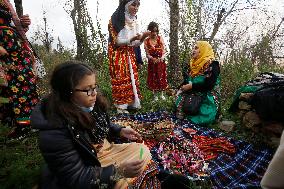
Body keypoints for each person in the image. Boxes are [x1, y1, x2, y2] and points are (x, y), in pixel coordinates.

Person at [31, 61, 162, 189]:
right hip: (87, 164)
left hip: (99, 153)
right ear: (68, 92)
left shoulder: (89, 105)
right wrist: (119, 171)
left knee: (141, 150)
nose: (94, 93)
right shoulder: (54, 131)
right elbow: (77, 179)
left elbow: (98, 125)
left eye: (94, 87)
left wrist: (119, 130)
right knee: (118, 183)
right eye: (87, 89)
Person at [0, 0, 39, 139]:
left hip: (18, 50)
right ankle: (19, 126)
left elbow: (12, 25)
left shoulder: (6, 2)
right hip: (5, 52)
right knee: (12, 88)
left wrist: (22, 24)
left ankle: (32, 123)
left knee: (27, 85)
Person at [108, 0, 150, 113]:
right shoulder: (115, 18)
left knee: (131, 78)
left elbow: (134, 44)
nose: (136, 8)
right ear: (126, 5)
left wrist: (142, 38)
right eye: (133, 4)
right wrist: (130, 39)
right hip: (117, 53)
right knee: (121, 77)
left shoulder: (135, 20)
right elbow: (115, 42)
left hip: (129, 53)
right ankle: (121, 106)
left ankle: (131, 103)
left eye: (138, 5)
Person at [175, 41, 220, 125]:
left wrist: (191, 86)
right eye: (193, 48)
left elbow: (209, 85)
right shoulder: (193, 64)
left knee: (204, 117)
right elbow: (187, 81)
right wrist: (178, 88)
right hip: (194, 92)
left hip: (207, 94)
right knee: (180, 106)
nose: (193, 50)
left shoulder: (212, 64)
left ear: (203, 50)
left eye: (196, 48)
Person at [144, 21, 168, 101]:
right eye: (152, 31)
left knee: (161, 77)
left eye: (155, 31)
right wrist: (151, 58)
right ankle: (155, 96)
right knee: (153, 77)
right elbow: (147, 53)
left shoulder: (160, 38)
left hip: (160, 61)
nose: (154, 33)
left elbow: (164, 51)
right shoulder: (146, 41)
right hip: (152, 63)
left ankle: (161, 94)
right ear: (149, 31)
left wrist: (161, 58)